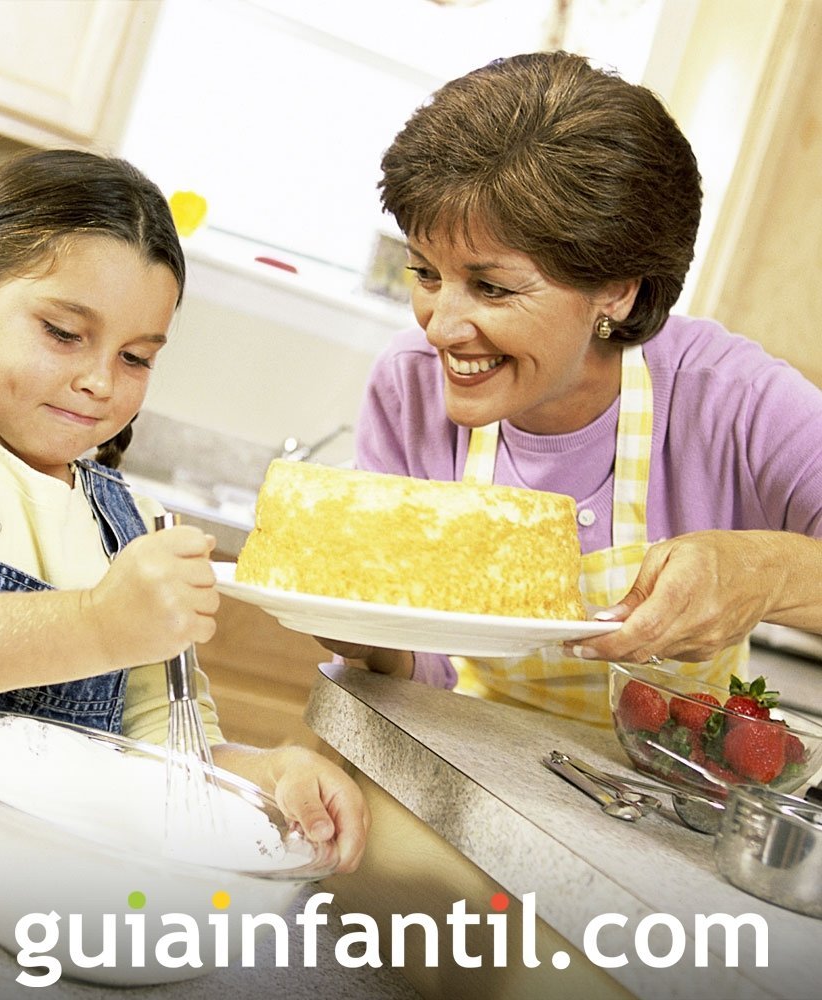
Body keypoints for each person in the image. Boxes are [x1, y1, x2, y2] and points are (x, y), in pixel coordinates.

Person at [0, 148, 367, 870]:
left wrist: (267, 776)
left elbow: (165, 751)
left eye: (136, 357)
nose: (99, 381)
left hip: (24, 887)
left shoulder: (128, 525)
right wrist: (96, 625)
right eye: (63, 332)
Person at [327, 51, 822, 723]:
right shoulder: (407, 387)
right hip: (464, 758)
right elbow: (418, 666)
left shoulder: (730, 399)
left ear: (617, 289)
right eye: (426, 273)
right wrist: (361, 632)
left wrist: (765, 572)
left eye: (491, 287)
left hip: (673, 795)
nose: (440, 327)